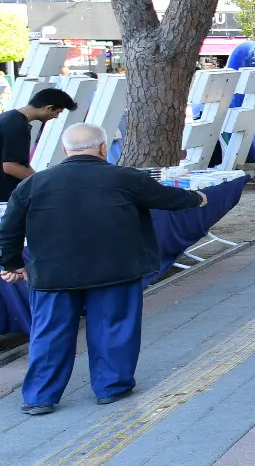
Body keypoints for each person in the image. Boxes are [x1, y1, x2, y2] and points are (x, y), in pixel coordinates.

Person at [0, 122, 206, 414]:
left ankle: (40, 397)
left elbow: (8, 228)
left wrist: (12, 263)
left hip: (53, 274)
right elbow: (167, 199)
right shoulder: (125, 178)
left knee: (50, 333)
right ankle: (111, 387)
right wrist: (197, 198)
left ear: (64, 150)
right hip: (115, 270)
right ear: (102, 148)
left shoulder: (34, 183)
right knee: (113, 327)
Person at [0, 89, 78, 203]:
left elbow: (20, 163)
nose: (56, 117)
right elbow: (10, 166)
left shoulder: (10, 117)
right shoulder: (16, 124)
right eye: (58, 112)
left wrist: (39, 177)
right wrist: (43, 182)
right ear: (48, 108)